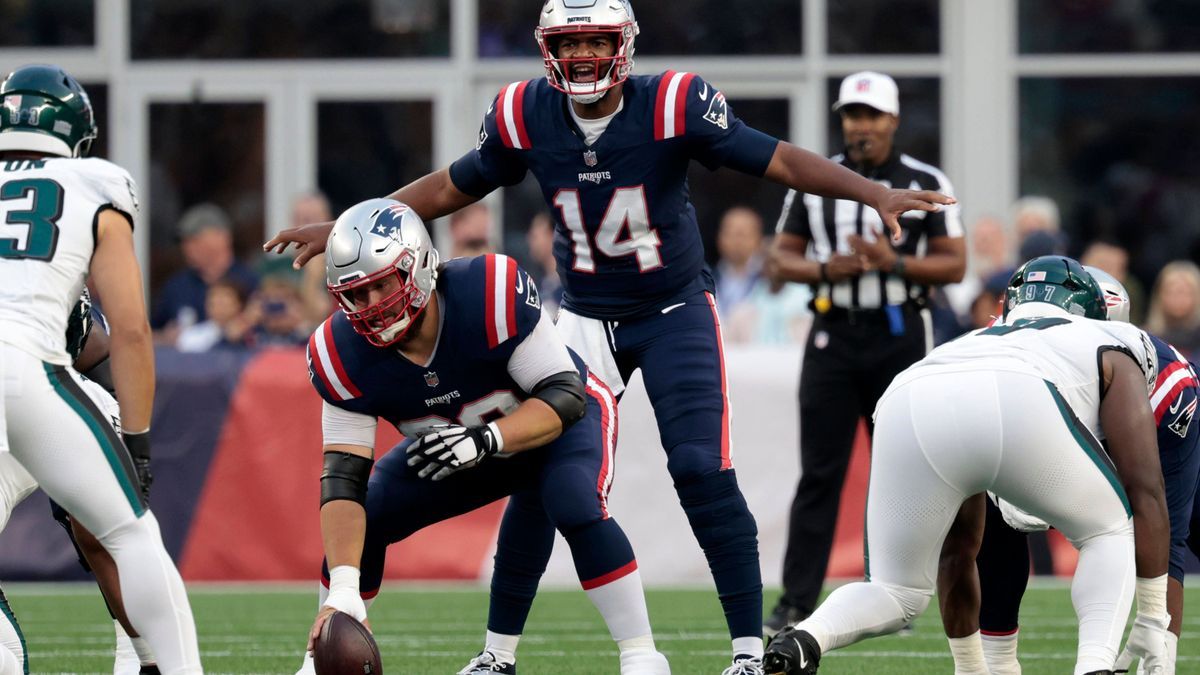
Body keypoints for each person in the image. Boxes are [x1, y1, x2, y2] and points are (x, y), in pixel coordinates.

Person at [265, 3, 953, 671]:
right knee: (546, 478)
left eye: (595, 41)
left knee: (699, 468)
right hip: (586, 314)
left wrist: (870, 193)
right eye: (568, 44)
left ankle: (747, 650)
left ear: (624, 44)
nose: (582, 55)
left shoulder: (673, 103)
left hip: (674, 306)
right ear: (548, 50)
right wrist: (355, 227)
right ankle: (499, 653)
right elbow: (455, 185)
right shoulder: (524, 113)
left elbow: (774, 159)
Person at [301, 199, 670, 675]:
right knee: (365, 516)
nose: (371, 307)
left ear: (417, 267)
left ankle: (641, 654)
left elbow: (563, 394)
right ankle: (315, 661)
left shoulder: (486, 291)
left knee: (572, 500)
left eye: (381, 285)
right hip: (461, 446)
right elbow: (343, 476)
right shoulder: (339, 352)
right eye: (356, 294)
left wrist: (486, 439)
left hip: (552, 422)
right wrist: (344, 591)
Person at [762, 256, 1171, 675]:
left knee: (895, 590)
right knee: (1109, 529)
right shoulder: (1112, 337)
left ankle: (805, 638)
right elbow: (1146, 489)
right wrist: (1154, 617)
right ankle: (1094, 667)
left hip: (909, 394)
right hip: (1021, 394)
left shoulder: (976, 338)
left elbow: (958, 548)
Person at [0, 64, 201, 673]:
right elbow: (133, 330)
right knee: (132, 532)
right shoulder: (94, 181)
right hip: (26, 367)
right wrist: (137, 442)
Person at [764, 70, 966, 634]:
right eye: (853, 115)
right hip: (832, 333)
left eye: (872, 115)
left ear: (893, 120)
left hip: (902, 332)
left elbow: (955, 263)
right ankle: (797, 600)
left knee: (906, 469)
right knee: (820, 473)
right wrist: (831, 269)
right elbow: (780, 262)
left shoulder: (924, 180)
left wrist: (892, 263)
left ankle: (900, 593)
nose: (862, 126)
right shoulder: (816, 180)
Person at [939, 267, 1200, 675]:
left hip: (1153, 427)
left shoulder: (1161, 381)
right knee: (992, 517)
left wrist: (1157, 634)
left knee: (1135, 525)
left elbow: (1163, 520)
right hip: (1018, 422)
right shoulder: (998, 349)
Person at [151, 201, 258, 342]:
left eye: (195, 239)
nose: (187, 247)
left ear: (223, 237)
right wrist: (166, 339)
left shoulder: (249, 281)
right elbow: (150, 333)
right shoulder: (176, 286)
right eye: (185, 242)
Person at [713, 206, 766, 318]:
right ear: (719, 238)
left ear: (759, 238)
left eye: (742, 234)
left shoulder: (769, 280)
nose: (737, 241)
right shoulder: (705, 279)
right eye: (730, 233)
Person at [1146, 261, 1200, 359]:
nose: (1177, 298)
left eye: (1183, 292)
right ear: (1159, 295)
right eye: (1171, 291)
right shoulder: (1145, 338)